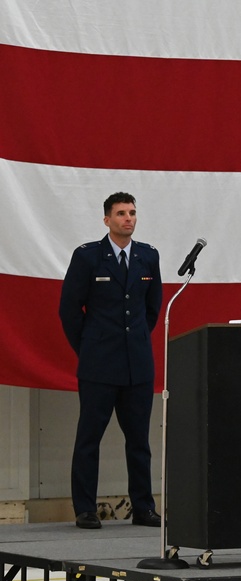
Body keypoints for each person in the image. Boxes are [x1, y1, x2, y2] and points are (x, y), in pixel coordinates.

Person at [58, 192, 163, 530]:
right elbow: (70, 311)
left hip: (137, 365)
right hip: (99, 365)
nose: (128, 218)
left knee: (139, 442)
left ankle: (143, 507)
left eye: (132, 212)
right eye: (120, 213)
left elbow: (151, 310)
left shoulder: (148, 256)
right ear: (107, 220)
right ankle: (85, 509)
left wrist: (131, 341)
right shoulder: (88, 257)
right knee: (89, 438)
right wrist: (90, 347)